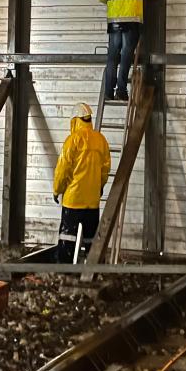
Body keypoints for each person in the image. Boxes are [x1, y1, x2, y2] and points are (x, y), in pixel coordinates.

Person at [97, 0, 159, 101]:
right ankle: (121, 91)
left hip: (114, 23)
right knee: (125, 57)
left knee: (112, 58)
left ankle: (108, 91)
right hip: (132, 23)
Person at [52, 103, 111, 263]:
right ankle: (93, 271)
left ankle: (64, 273)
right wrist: (99, 187)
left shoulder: (72, 141)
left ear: (75, 121)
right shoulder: (101, 140)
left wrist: (57, 190)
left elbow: (62, 169)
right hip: (92, 202)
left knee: (67, 239)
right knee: (92, 240)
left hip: (73, 201)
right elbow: (105, 170)